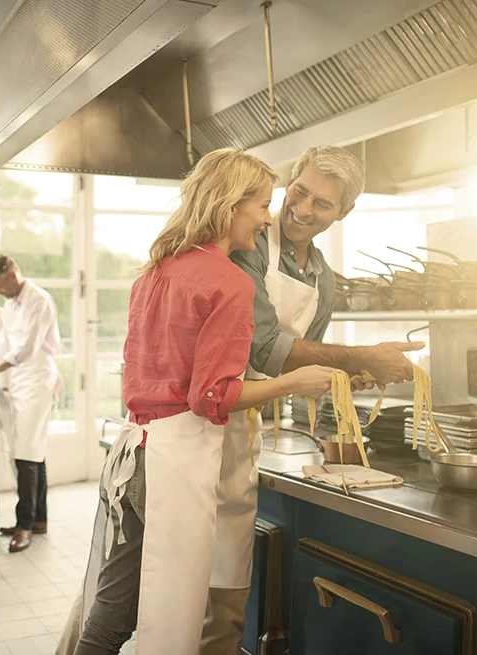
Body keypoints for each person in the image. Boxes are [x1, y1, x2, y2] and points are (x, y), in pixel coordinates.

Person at [72, 148, 341, 655]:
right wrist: (291, 383)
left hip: (134, 454)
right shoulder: (229, 281)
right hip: (178, 465)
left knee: (113, 611)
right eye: (262, 205)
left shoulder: (155, 270)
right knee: (173, 622)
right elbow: (212, 396)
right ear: (230, 204)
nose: (268, 218)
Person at [198, 145, 424, 653]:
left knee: (224, 574)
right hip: (208, 415)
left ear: (343, 213)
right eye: (299, 191)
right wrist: (358, 356)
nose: (302, 209)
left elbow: (309, 364)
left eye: (322, 204)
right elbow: (262, 345)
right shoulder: (248, 245)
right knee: (187, 581)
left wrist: (345, 387)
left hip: (246, 428)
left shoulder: (323, 278)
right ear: (288, 183)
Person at [0, 254, 62, 553]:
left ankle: (24, 526)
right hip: (20, 380)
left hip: (37, 376)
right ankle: (39, 520)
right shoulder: (10, 306)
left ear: (12, 274)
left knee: (25, 452)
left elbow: (26, 348)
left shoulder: (39, 300)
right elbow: (3, 347)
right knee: (32, 449)